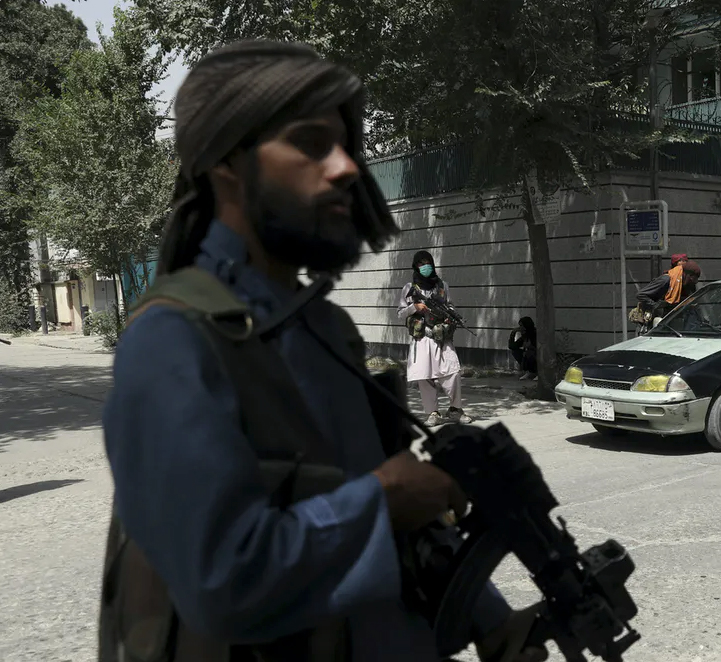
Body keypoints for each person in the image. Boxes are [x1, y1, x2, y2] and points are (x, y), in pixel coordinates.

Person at [99, 40, 544, 662]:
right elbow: (220, 581)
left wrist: (490, 619)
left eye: (344, 146)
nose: (346, 168)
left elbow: (397, 528)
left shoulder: (325, 326)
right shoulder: (173, 338)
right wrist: (383, 499)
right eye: (310, 144)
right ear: (228, 160)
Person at [399, 251, 474, 425]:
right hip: (422, 338)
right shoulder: (409, 288)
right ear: (415, 266)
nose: (425, 266)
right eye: (420, 263)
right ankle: (433, 413)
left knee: (453, 372)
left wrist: (451, 317)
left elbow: (450, 306)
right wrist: (414, 307)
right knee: (424, 376)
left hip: (442, 337)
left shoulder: (442, 286)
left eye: (427, 262)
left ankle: (455, 409)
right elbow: (400, 313)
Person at [636, 258, 701, 319]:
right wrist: (656, 306)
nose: (695, 282)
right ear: (687, 275)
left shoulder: (683, 285)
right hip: (653, 322)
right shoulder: (666, 280)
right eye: (693, 278)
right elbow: (641, 295)